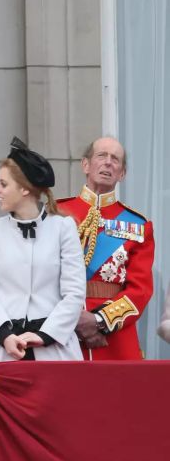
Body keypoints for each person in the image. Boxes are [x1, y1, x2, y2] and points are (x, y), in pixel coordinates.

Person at [0, 138, 86, 361]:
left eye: (3, 184)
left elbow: (74, 292)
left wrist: (44, 335)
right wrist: (5, 335)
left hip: (53, 350)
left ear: (24, 189)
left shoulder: (64, 228)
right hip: (0, 349)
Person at [57, 137, 154, 360]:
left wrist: (99, 320)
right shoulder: (56, 213)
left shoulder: (138, 226)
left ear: (123, 173)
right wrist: (71, 318)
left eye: (115, 159)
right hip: (61, 331)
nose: (108, 163)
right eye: (101, 156)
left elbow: (140, 291)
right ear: (85, 165)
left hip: (114, 339)